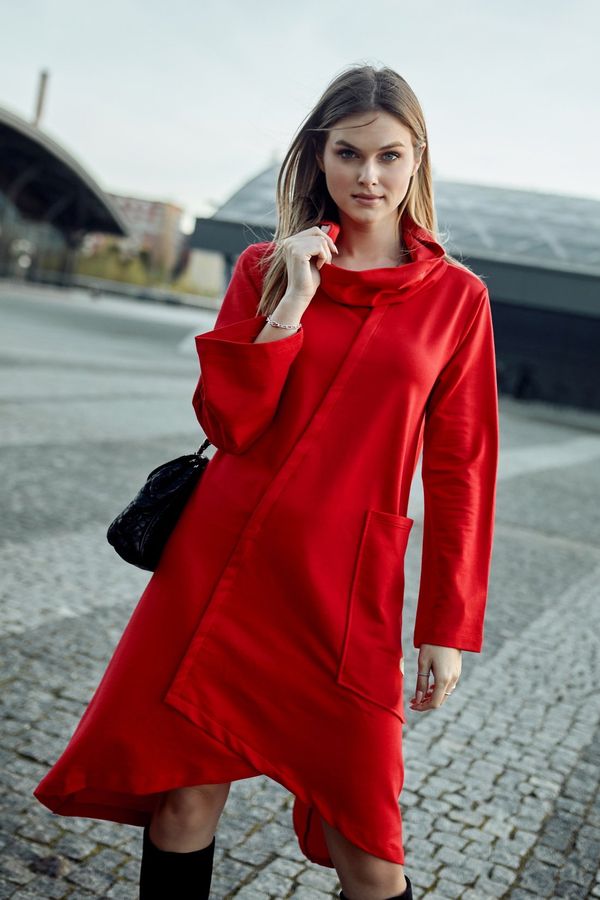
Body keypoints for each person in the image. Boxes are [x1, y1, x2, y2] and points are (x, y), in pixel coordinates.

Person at [34, 63, 499, 900]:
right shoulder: (263, 266)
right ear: (318, 157)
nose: (368, 176)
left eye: (390, 156)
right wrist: (287, 302)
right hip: (224, 568)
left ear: (417, 160)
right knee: (183, 801)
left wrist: (446, 624)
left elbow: (464, 469)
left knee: (369, 843)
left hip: (345, 587)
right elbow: (229, 423)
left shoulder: (458, 299)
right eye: (349, 154)